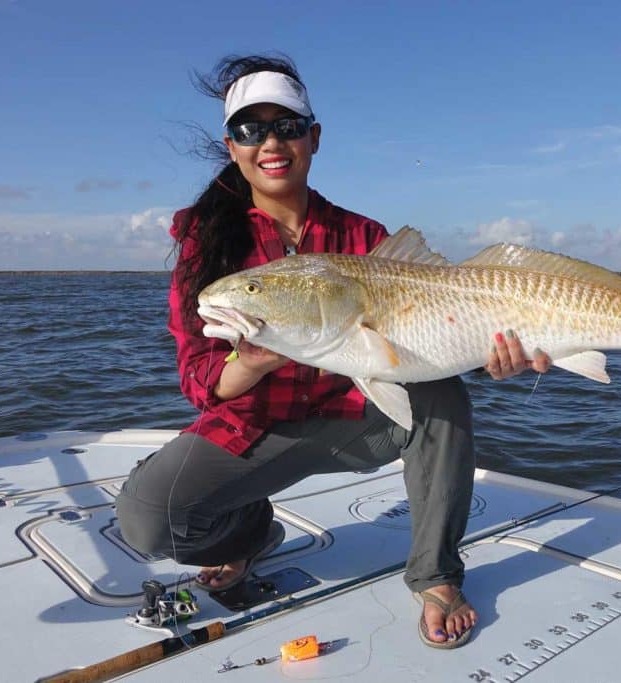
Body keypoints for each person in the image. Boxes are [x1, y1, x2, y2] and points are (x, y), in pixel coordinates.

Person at [115, 54, 551, 649]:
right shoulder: (207, 240)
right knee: (145, 518)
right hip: (255, 428)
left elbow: (430, 335)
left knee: (442, 392)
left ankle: (437, 575)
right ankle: (249, 535)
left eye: (287, 126)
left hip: (353, 420)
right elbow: (197, 379)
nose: (271, 142)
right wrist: (256, 358)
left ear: (313, 137)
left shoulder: (366, 240)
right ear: (232, 144)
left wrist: (493, 354)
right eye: (250, 129)